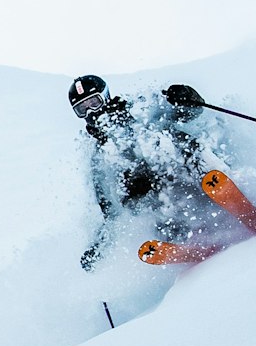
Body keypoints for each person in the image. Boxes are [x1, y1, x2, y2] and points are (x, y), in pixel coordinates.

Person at [69, 74, 219, 270]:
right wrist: (100, 246)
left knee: (168, 139)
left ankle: (217, 183)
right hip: (163, 201)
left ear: (105, 96)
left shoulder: (139, 109)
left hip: (186, 174)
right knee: (132, 194)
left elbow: (192, 111)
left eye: (94, 102)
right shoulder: (99, 157)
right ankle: (179, 236)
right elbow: (110, 211)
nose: (91, 111)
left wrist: (184, 96)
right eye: (82, 108)